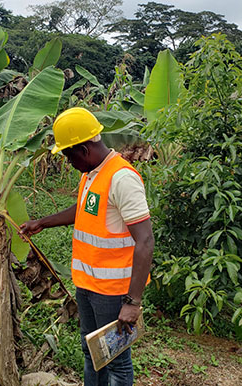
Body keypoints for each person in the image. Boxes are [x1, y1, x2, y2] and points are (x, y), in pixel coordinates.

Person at [20, 107, 154, 386]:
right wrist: (43, 222)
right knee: (92, 352)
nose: (68, 163)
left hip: (113, 293)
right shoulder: (92, 174)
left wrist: (133, 302)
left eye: (69, 156)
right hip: (88, 286)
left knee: (115, 361)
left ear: (83, 148)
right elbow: (83, 210)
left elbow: (145, 241)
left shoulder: (122, 178)